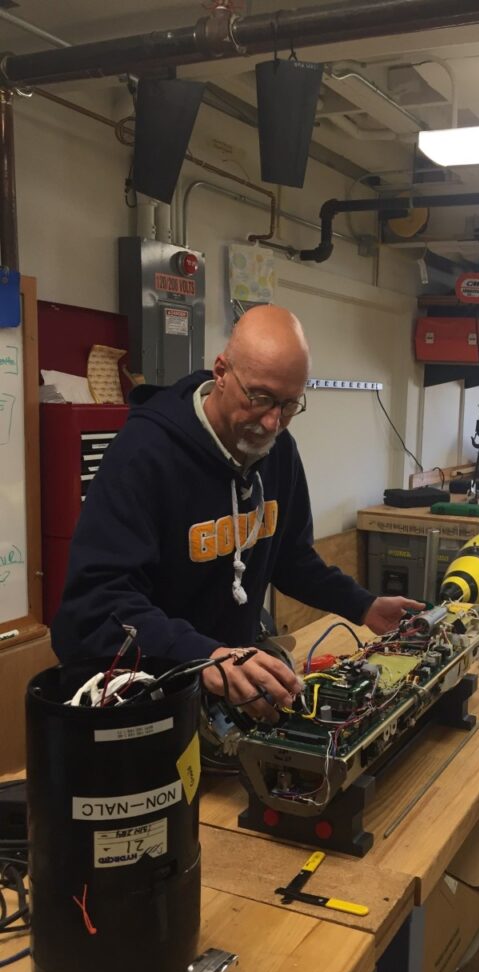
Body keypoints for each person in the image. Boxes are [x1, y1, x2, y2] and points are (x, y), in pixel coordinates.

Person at [52, 305, 423, 720]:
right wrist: (206, 655)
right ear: (222, 372)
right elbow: (99, 604)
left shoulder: (279, 451)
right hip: (143, 693)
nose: (271, 422)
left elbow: (292, 559)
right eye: (260, 398)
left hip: (227, 682)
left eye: (288, 405)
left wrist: (364, 605)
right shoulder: (144, 454)